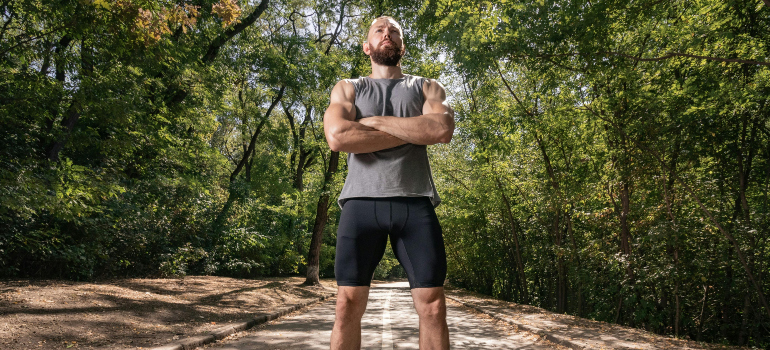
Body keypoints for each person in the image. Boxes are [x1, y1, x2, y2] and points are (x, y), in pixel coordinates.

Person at [323, 16, 454, 350]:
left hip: (415, 203)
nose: (387, 34)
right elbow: (338, 136)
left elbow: (440, 130)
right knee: (346, 305)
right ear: (367, 46)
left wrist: (374, 124)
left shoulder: (428, 87)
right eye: (379, 31)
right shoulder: (348, 87)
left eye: (394, 31)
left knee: (434, 305)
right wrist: (412, 132)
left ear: (402, 46)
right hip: (360, 204)